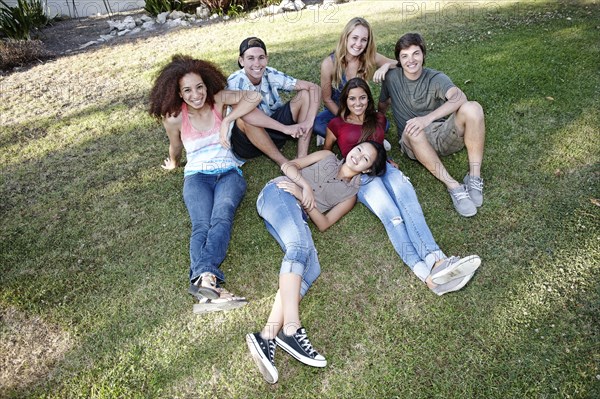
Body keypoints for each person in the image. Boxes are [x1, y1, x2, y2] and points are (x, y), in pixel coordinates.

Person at [246, 141, 387, 384]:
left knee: (312, 267)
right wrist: (303, 187)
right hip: (278, 194)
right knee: (299, 248)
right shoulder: (326, 156)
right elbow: (289, 165)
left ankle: (267, 335)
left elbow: (323, 224)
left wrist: (304, 199)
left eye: (365, 159)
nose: (358, 156)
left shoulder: (350, 196)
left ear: (367, 170)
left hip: (296, 216)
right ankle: (291, 328)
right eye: (359, 149)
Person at [325, 77, 481, 296]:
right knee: (394, 217)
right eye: (352, 99)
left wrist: (387, 160)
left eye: (362, 98)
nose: (357, 103)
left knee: (409, 206)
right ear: (345, 100)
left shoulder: (378, 119)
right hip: (361, 177)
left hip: (385, 168)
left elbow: (379, 145)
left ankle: (437, 261)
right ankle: (430, 278)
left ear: (368, 99)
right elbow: (327, 151)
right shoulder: (336, 124)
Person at [149, 54, 262, 314]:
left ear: (206, 85)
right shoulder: (175, 117)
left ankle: (205, 284)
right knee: (201, 225)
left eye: (199, 87)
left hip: (228, 173)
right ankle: (208, 284)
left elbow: (253, 97)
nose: (196, 94)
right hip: (196, 177)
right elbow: (175, 145)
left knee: (221, 217)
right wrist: (174, 163)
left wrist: (228, 121)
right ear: (177, 93)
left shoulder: (218, 100)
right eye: (187, 90)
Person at [379, 32, 486, 217]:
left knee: (473, 108)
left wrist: (427, 119)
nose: (411, 60)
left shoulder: (435, 78)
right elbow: (382, 105)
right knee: (412, 129)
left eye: (416, 54)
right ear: (398, 60)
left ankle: (474, 177)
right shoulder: (391, 78)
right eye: (404, 56)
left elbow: (460, 97)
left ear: (423, 55)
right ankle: (454, 187)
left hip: (441, 134)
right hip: (412, 141)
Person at [227, 37, 322, 166]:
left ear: (266, 59)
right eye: (250, 58)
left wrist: (309, 121)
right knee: (245, 116)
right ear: (241, 61)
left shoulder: (270, 73)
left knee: (305, 94)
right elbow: (248, 116)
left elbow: (314, 88)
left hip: (272, 129)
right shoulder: (235, 81)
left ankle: (301, 157)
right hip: (248, 142)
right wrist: (285, 129)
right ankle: (284, 163)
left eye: (261, 57)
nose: (257, 63)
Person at [314, 17, 397, 142]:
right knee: (317, 124)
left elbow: (399, 63)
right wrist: (345, 117)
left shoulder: (369, 57)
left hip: (360, 108)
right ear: (346, 37)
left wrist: (386, 66)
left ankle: (350, 135)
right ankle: (366, 135)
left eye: (364, 40)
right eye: (355, 38)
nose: (358, 44)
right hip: (338, 110)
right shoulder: (329, 63)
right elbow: (327, 99)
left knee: (384, 124)